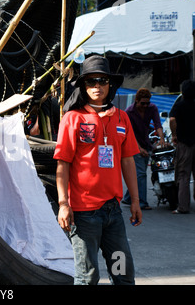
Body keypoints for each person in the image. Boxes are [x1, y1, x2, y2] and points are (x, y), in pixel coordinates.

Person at [54, 55, 142, 285]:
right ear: (83, 85)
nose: (97, 86)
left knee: (123, 273)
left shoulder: (122, 118)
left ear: (109, 84)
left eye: (102, 81)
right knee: (87, 277)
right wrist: (64, 204)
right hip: (83, 215)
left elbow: (128, 161)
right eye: (91, 81)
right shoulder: (73, 119)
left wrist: (135, 200)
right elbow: (62, 164)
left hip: (113, 214)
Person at [121, 88, 166, 210]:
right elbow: (129, 134)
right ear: (136, 101)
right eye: (143, 103)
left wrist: (161, 139)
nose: (145, 106)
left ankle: (128, 198)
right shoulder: (129, 112)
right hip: (132, 144)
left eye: (147, 103)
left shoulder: (152, 108)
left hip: (145, 142)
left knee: (138, 172)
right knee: (141, 173)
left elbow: (158, 124)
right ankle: (142, 202)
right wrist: (138, 148)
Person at [169, 79, 195, 214]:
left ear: (183, 92)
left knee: (184, 175)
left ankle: (183, 207)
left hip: (184, 144)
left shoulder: (179, 105)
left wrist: (174, 135)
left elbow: (172, 120)